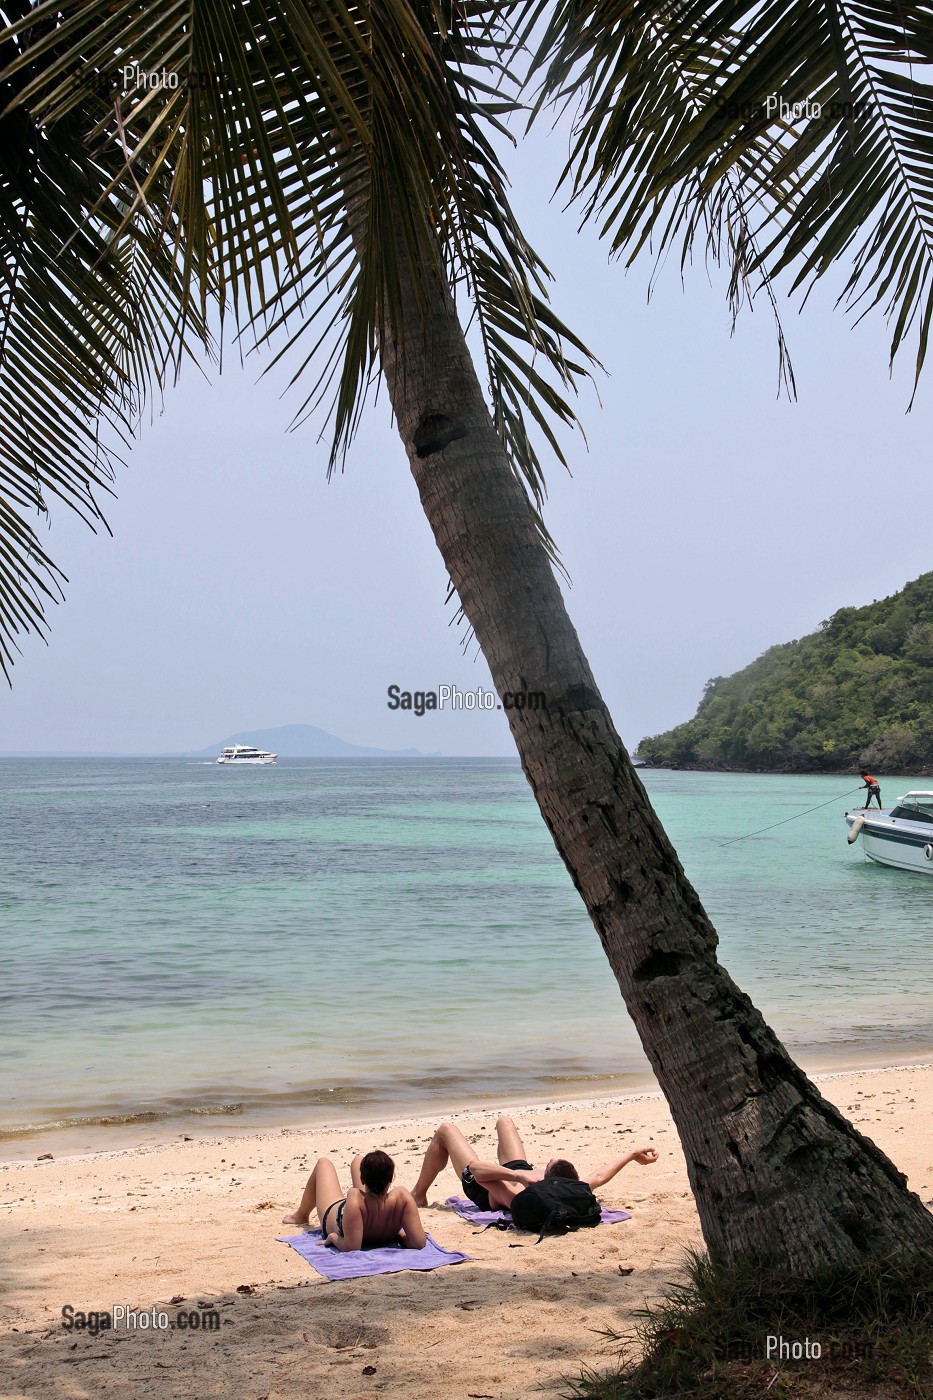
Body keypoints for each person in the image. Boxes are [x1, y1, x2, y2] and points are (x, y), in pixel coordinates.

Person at [411, 1114, 659, 1211]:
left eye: (549, 1163)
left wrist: (519, 1177)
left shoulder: (518, 1193)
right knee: (504, 1121)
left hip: (486, 1182)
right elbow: (600, 1176)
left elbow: (476, 1171)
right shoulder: (570, 1186)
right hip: (517, 1170)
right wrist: (631, 1154)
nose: (547, 1161)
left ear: (548, 1176)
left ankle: (418, 1194)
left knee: (446, 1130)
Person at [282, 1149, 427, 1252]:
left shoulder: (355, 1198)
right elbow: (419, 1242)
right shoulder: (402, 1197)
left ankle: (301, 1215)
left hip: (338, 1215)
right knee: (358, 1159)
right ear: (390, 1178)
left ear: (362, 1179)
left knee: (323, 1163)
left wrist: (332, 1237)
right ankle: (367, 1168)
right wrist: (399, 1235)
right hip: (365, 1211)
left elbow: (351, 1247)